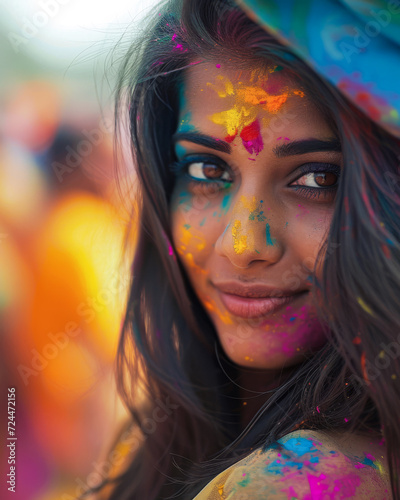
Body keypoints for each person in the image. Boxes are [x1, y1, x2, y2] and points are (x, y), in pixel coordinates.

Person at [83, 0, 400, 498]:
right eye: (208, 171)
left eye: (319, 177)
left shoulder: (298, 483)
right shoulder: (162, 433)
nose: (242, 246)